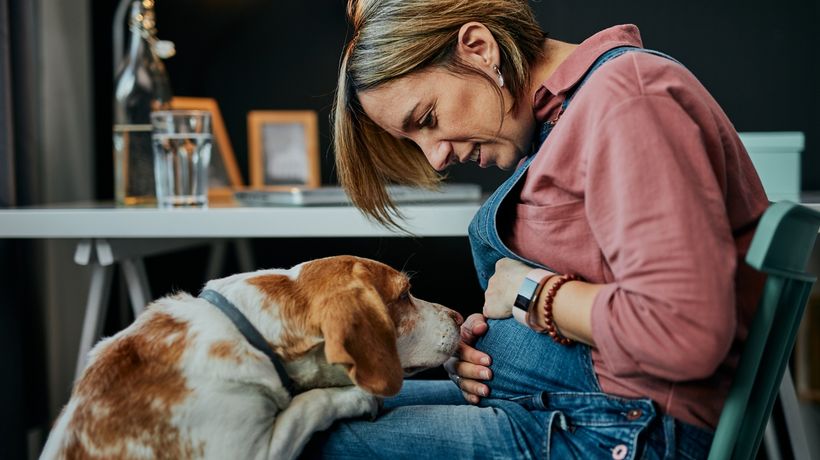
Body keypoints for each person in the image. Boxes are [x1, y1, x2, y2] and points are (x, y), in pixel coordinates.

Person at [306, 0, 769, 458]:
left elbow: (684, 329)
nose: (435, 158)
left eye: (428, 120)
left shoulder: (628, 102)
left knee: (314, 442)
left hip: (623, 430)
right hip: (575, 410)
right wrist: (483, 351)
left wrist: (532, 292)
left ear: (479, 48)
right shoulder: (564, 115)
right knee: (315, 410)